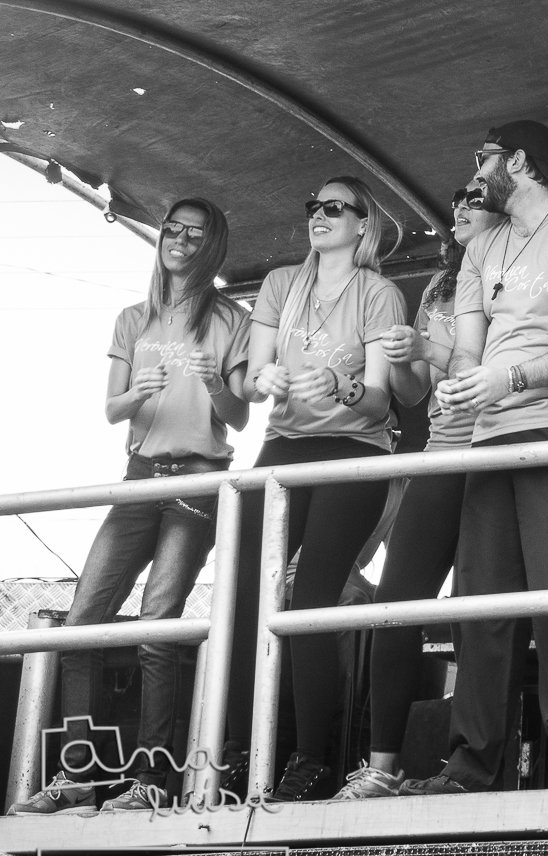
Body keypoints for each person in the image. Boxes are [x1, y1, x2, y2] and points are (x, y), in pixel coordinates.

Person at [403, 121, 548, 795]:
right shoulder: (482, 246)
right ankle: (471, 764)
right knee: (481, 604)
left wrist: (512, 377)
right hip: (489, 434)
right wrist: (462, 380)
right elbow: (469, 350)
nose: (475, 173)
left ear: (521, 162)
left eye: (485, 158)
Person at [9, 200, 251, 816]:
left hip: (198, 481)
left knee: (156, 629)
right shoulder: (133, 318)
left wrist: (214, 382)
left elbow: (239, 418)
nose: (180, 239)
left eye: (195, 233)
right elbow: (111, 410)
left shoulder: (231, 318)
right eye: (173, 228)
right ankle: (76, 779)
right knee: (81, 629)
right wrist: (136, 393)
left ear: (212, 245)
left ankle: (151, 780)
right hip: (138, 477)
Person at [232, 177, 412, 800]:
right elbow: (251, 381)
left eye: (335, 207)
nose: (319, 214)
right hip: (283, 445)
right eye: (313, 205)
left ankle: (312, 759)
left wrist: (343, 385)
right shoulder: (281, 283)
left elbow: (383, 401)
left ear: (364, 224)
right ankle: (238, 749)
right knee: (245, 595)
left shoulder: (379, 293)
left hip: (354, 449)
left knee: (310, 599)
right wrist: (264, 381)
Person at [328, 186, 505, 799]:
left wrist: (431, 348)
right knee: (395, 606)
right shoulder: (437, 287)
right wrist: (406, 357)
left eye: (475, 197)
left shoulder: (515, 277)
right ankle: (383, 766)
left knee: (477, 614)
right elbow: (411, 393)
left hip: (494, 453)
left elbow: (495, 367)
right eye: (456, 200)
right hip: (438, 456)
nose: (460, 208)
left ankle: (469, 768)